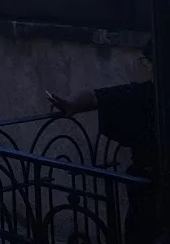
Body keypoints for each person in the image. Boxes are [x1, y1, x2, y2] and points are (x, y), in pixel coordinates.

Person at [47, 40, 157, 243]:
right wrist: (71, 104)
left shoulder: (145, 94)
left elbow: (98, 97)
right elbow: (97, 97)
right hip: (147, 187)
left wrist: (72, 104)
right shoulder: (145, 94)